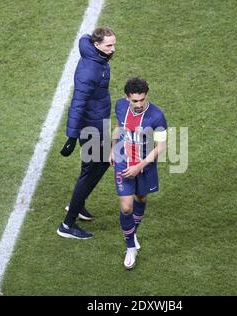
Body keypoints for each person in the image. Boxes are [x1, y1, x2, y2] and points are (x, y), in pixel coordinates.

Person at [57, 27, 116, 240]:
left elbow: (85, 36)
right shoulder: (91, 69)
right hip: (91, 129)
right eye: (109, 45)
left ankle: (78, 205)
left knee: (94, 167)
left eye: (114, 44)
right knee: (95, 168)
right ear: (97, 45)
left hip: (97, 124)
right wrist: (72, 137)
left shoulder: (97, 57)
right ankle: (67, 224)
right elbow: (77, 103)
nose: (113, 49)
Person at [109, 78, 167, 269]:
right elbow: (119, 126)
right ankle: (130, 247)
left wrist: (139, 165)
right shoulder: (120, 106)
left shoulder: (157, 116)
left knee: (140, 198)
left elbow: (161, 146)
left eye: (142, 99)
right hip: (123, 163)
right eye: (135, 101)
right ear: (127, 98)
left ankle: (132, 231)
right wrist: (112, 149)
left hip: (144, 166)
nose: (139, 104)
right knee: (127, 208)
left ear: (146, 95)